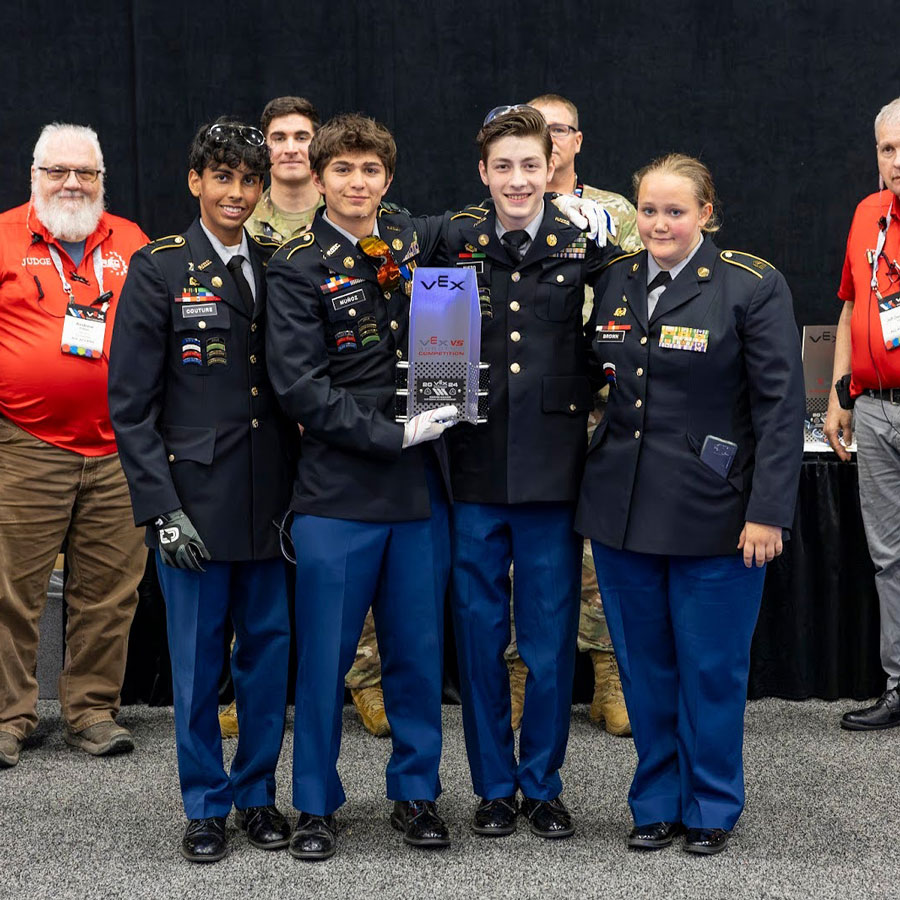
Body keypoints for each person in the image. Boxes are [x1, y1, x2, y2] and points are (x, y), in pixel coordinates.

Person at [578, 153, 804, 855]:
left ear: (707, 213)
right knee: (645, 668)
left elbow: (778, 406)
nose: (659, 224)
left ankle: (709, 805)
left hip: (717, 509)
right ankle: (656, 801)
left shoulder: (748, 285)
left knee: (710, 670)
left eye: (675, 211)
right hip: (623, 510)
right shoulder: (614, 280)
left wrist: (768, 510)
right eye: (648, 210)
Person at [266, 113, 457, 860]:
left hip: (416, 496)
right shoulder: (296, 265)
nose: (357, 183)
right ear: (317, 179)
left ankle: (417, 795)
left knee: (416, 655)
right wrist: (390, 433)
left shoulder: (409, 246)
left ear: (388, 179)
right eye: (342, 170)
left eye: (370, 171)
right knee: (324, 661)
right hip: (336, 494)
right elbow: (299, 388)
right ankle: (315, 804)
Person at [108, 118, 297, 863]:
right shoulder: (159, 268)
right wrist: (160, 511)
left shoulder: (279, 261)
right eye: (223, 177)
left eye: (249, 180)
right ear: (196, 181)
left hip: (271, 502)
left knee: (267, 661)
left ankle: (256, 795)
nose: (237, 193)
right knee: (196, 666)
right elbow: (130, 405)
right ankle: (204, 804)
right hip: (192, 506)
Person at [431, 106, 614, 841]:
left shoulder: (586, 245)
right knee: (478, 636)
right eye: (502, 166)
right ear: (483, 172)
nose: (517, 179)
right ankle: (492, 787)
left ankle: (542, 784)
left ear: (552, 168)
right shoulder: (453, 240)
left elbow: (619, 332)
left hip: (551, 471)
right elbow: (438, 354)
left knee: (545, 640)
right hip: (472, 467)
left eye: (529, 165)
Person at [224, 95, 389, 741]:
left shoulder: (370, 227)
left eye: (302, 135)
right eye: (279, 137)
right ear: (266, 150)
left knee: (351, 563)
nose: (291, 146)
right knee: (263, 556)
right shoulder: (242, 220)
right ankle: (252, 689)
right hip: (263, 420)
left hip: (336, 425)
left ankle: (365, 682)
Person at [0, 123, 148, 769]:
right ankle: (9, 716)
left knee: (111, 590)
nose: (71, 183)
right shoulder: (3, 237)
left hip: (120, 450)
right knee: (9, 590)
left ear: (101, 180)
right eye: (58, 171)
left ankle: (90, 711)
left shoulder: (133, 242)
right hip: (25, 446)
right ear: (34, 175)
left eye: (85, 173)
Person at [503, 92, 641, 736]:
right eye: (538, 132)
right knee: (525, 553)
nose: (551, 142)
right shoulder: (503, 206)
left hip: (605, 400)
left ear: (577, 140)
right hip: (529, 404)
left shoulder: (615, 212)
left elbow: (638, 286)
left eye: (561, 130)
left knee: (602, 544)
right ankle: (519, 675)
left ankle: (609, 675)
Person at [825, 96, 900, 732]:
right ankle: (899, 686)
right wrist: (837, 397)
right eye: (887, 148)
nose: (897, 160)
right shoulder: (867, 215)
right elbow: (851, 310)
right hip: (874, 410)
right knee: (888, 555)